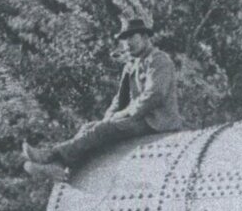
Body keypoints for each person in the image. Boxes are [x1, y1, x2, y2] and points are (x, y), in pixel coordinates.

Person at [22, 17, 184, 175]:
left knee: (102, 130)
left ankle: (52, 155)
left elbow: (155, 95)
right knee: (89, 128)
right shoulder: (131, 65)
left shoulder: (158, 60)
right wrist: (107, 118)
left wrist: (124, 114)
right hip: (140, 119)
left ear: (145, 37)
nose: (127, 43)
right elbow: (120, 99)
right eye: (124, 39)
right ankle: (61, 166)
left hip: (156, 122)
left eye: (131, 37)